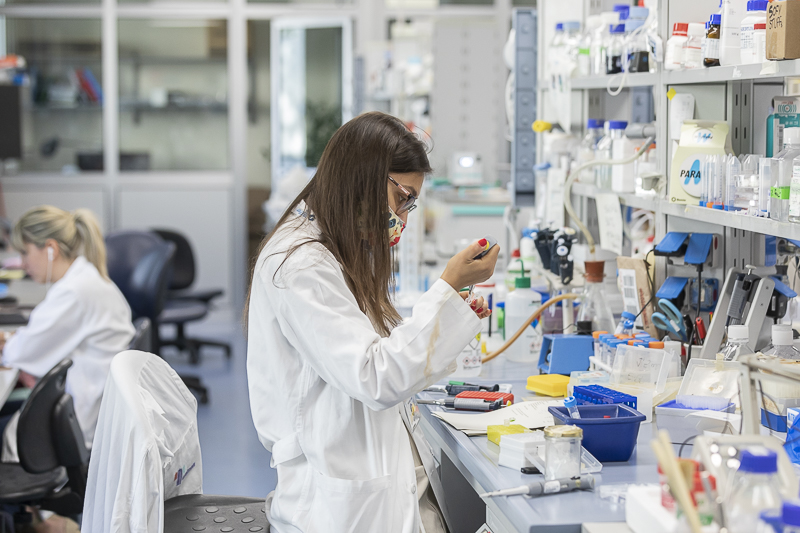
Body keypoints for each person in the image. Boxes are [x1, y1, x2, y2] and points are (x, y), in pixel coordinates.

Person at [246, 112, 499, 533]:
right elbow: (375, 376)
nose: (404, 216)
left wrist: (448, 311)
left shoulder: (333, 247)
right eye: (403, 197)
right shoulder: (300, 265)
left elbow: (370, 352)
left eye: (411, 204)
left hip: (368, 481)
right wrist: (446, 290)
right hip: (334, 506)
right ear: (362, 178)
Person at [0, 206, 134, 452]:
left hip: (78, 420)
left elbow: (20, 354)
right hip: (93, 405)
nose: (22, 263)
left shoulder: (73, 292)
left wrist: (8, 343)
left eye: (25, 252)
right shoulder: (84, 278)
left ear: (51, 248)